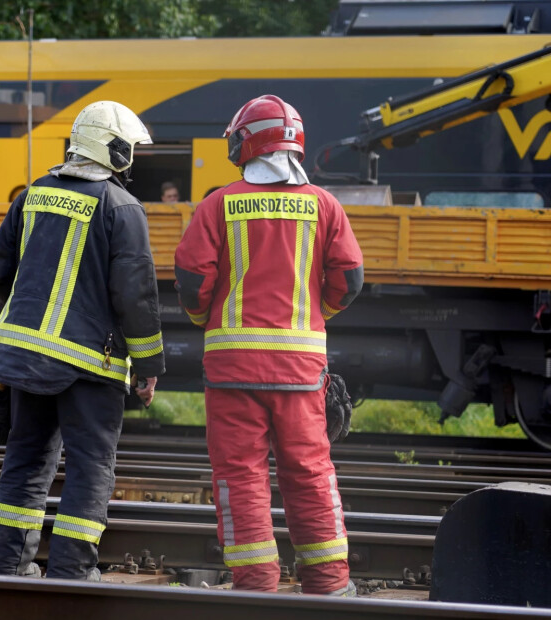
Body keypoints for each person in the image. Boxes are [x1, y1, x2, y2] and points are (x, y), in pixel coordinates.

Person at [173, 95, 363, 595]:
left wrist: (204, 319)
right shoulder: (324, 205)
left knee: (239, 476)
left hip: (232, 371)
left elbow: (192, 281)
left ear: (246, 144)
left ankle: (256, 585)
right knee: (310, 471)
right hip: (301, 370)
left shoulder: (219, 204)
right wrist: (316, 316)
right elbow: (349, 279)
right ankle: (329, 584)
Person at [0, 100, 165, 580]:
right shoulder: (122, 207)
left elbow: (0, 268)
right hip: (89, 366)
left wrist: (32, 318)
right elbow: (136, 295)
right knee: (90, 468)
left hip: (26, 362)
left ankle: (5, 571)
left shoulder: (34, 194)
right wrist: (148, 366)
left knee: (25, 463)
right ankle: (71, 576)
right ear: (116, 150)